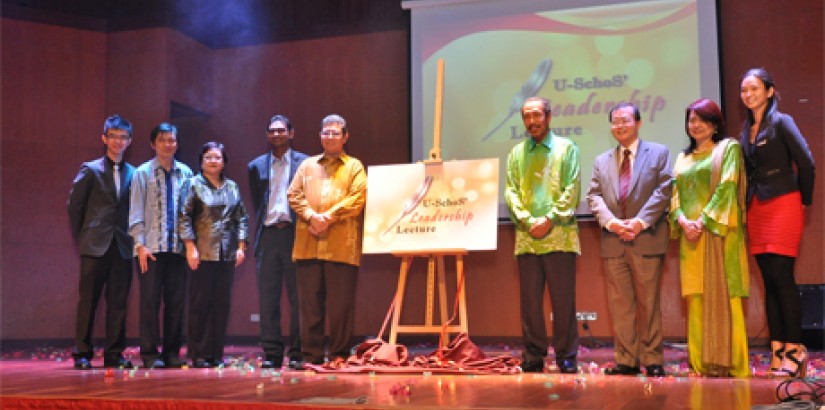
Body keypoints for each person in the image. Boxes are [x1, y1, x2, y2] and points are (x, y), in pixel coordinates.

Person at [738, 68, 815, 378]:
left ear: (769, 91)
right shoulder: (746, 129)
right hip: (757, 206)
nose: (748, 95)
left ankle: (796, 349)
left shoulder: (782, 122)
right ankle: (778, 348)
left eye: (754, 88)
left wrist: (804, 200)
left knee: (783, 276)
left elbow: (806, 161)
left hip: (784, 201)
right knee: (768, 279)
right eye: (744, 90)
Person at [586, 103, 672, 377]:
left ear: (638, 122)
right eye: (615, 122)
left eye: (625, 120)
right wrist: (612, 223)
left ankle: (653, 359)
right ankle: (626, 359)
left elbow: (664, 188)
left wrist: (639, 222)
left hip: (646, 236)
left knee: (648, 303)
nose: (619, 126)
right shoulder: (602, 161)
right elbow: (594, 196)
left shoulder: (658, 153)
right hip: (614, 241)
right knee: (620, 304)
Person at [670, 98, 750, 378]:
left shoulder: (728, 149)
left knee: (726, 297)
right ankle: (701, 363)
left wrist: (702, 221)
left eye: (702, 120)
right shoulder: (682, 158)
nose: (696, 125)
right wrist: (682, 220)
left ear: (715, 123)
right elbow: (674, 194)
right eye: (692, 120)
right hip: (690, 238)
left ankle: (733, 364)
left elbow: (728, 186)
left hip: (718, 234)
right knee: (696, 299)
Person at [505, 97, 581, 374]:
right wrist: (527, 220)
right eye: (526, 116)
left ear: (548, 116)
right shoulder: (515, 154)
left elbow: (572, 189)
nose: (532, 121)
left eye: (537, 115)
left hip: (559, 235)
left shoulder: (567, 149)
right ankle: (534, 353)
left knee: (563, 301)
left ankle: (567, 355)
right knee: (530, 303)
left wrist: (549, 219)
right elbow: (510, 192)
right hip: (527, 238)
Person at [287, 114, 367, 369]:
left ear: (345, 137)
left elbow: (358, 198)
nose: (330, 137)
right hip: (308, 245)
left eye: (335, 133)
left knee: (341, 307)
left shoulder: (354, 166)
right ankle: (311, 356)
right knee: (309, 305)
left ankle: (339, 355)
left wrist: (328, 217)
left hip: (342, 247)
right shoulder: (307, 165)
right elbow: (293, 194)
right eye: (325, 132)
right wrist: (312, 216)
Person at [67, 114, 136, 369]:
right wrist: (82, 237)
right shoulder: (90, 169)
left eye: (123, 137)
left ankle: (114, 353)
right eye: (113, 136)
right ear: (104, 138)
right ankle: (82, 352)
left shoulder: (134, 173)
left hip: (122, 246)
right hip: (94, 244)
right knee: (89, 301)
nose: (118, 141)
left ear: (129, 141)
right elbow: (74, 207)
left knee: (118, 302)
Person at [128, 123, 193, 369]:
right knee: (150, 302)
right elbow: (135, 212)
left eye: (172, 140)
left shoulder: (186, 173)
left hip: (176, 248)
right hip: (150, 249)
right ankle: (149, 353)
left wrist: (190, 245)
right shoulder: (142, 173)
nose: (168, 144)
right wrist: (139, 245)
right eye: (163, 140)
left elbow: (189, 212)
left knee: (176, 302)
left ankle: (172, 352)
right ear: (153, 144)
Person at [179, 141, 249, 368]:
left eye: (217, 157)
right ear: (201, 161)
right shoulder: (192, 184)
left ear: (224, 162)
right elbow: (184, 217)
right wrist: (190, 247)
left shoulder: (232, 187)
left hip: (226, 254)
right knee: (200, 304)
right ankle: (198, 353)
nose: (213, 161)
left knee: (221, 304)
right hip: (202, 252)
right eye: (208, 157)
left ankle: (216, 353)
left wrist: (241, 246)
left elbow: (242, 217)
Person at [248, 115, 309, 369]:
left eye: (281, 130)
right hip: (269, 235)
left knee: (299, 298)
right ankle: (272, 352)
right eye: (272, 131)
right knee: (268, 298)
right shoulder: (256, 166)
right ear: (266, 135)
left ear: (291, 133)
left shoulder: (306, 164)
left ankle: (297, 352)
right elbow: (256, 201)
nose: (277, 135)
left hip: (296, 234)